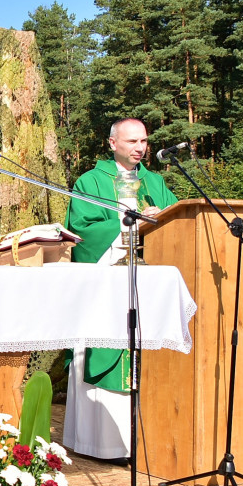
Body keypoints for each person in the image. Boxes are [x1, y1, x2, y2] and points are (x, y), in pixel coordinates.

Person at [63, 118, 178, 460]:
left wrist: (160, 220)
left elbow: (178, 222)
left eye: (143, 141)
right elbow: (82, 231)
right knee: (107, 348)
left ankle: (150, 439)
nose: (140, 148)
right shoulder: (90, 181)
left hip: (148, 284)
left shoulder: (155, 181)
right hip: (107, 282)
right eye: (132, 141)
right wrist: (131, 224)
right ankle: (105, 444)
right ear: (112, 143)